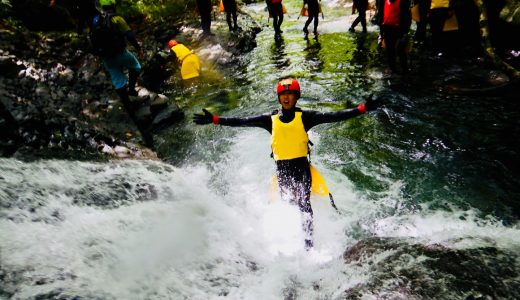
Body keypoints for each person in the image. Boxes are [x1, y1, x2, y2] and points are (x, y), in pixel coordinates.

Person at [193, 78, 382, 250]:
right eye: (283, 94)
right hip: (282, 171)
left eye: (290, 94)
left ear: (296, 97)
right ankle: (289, 241)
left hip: (302, 169)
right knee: (290, 203)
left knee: (304, 204)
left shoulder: (306, 117)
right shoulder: (269, 120)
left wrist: (362, 109)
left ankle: (309, 247)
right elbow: (241, 121)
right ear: (279, 97)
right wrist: (215, 120)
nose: (286, 97)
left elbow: (334, 116)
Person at [90, 0, 153, 147]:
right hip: (120, 52)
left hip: (106, 56)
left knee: (117, 79)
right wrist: (138, 48)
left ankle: (127, 106)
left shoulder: (95, 20)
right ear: (113, 5)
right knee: (136, 67)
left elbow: (92, 38)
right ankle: (131, 89)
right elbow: (129, 35)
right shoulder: (116, 19)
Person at [379, 0, 412, 74]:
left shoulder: (403, 2)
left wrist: (405, 33)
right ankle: (392, 69)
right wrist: (381, 33)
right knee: (390, 51)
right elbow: (381, 15)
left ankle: (405, 70)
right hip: (387, 29)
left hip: (399, 30)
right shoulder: (383, 1)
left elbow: (407, 17)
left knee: (400, 51)